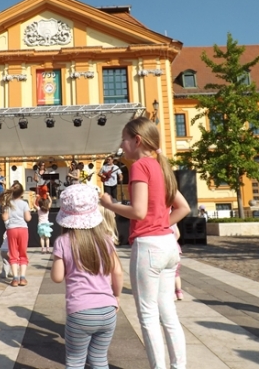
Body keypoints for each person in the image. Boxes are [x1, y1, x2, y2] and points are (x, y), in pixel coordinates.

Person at [100, 116, 190, 369]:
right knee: (168, 314)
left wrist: (110, 205)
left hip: (149, 246)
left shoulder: (140, 166)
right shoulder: (161, 166)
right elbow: (184, 207)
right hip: (168, 245)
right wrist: (162, 224)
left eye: (124, 139)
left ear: (137, 140)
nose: (121, 145)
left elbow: (138, 212)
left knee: (148, 316)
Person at [51, 184, 123, 369]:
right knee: (99, 359)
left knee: (75, 360)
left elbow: (57, 277)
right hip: (108, 310)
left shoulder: (63, 242)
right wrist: (116, 296)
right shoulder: (106, 240)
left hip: (80, 312)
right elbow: (117, 272)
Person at [0, 182, 32, 287]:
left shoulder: (9, 204)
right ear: (22, 193)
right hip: (23, 229)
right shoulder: (24, 204)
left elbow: (4, 217)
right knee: (23, 253)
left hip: (11, 229)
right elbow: (28, 218)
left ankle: (15, 279)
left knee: (13, 254)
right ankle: (23, 278)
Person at [172, 223, 184, 301]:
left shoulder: (161, 223)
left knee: (167, 273)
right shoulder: (173, 222)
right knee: (176, 273)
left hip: (165, 250)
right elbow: (177, 234)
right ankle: (179, 292)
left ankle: (171, 293)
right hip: (176, 249)